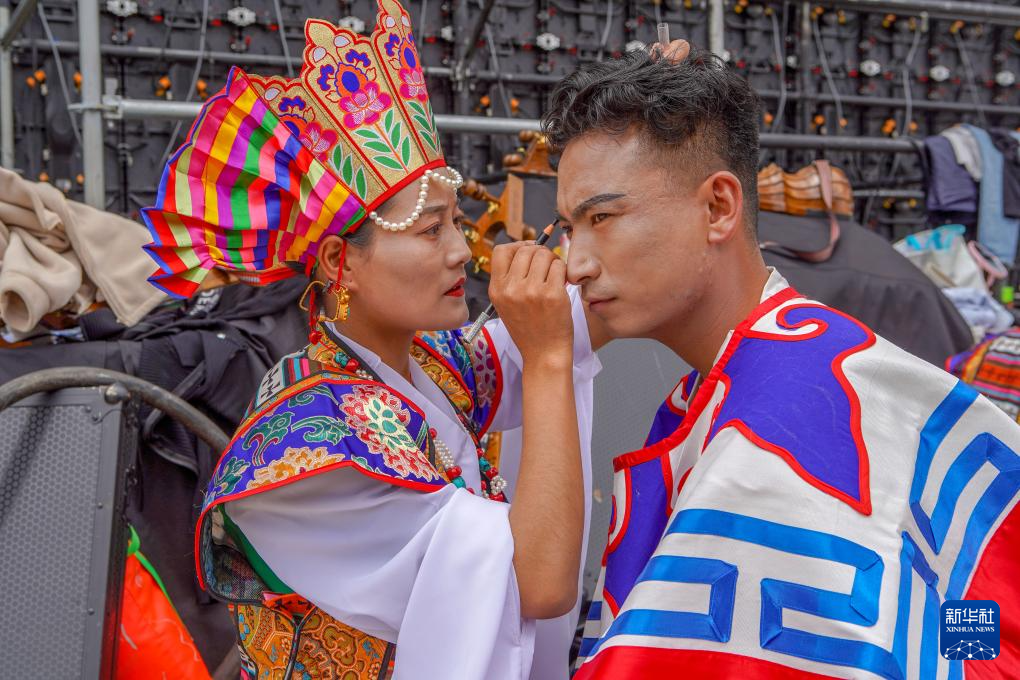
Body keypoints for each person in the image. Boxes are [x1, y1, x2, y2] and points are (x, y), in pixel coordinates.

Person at [140, 1, 602, 677]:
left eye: (456, 223)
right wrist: (550, 360)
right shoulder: (309, 446)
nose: (461, 251)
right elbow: (538, 582)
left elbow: (590, 313)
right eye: (431, 229)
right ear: (341, 263)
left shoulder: (425, 365)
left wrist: (643, 136)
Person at [546, 42, 1020, 677]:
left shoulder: (762, 438)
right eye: (569, 228)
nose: (575, 264)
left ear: (718, 206)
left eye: (603, 216)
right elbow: (975, 605)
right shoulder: (817, 358)